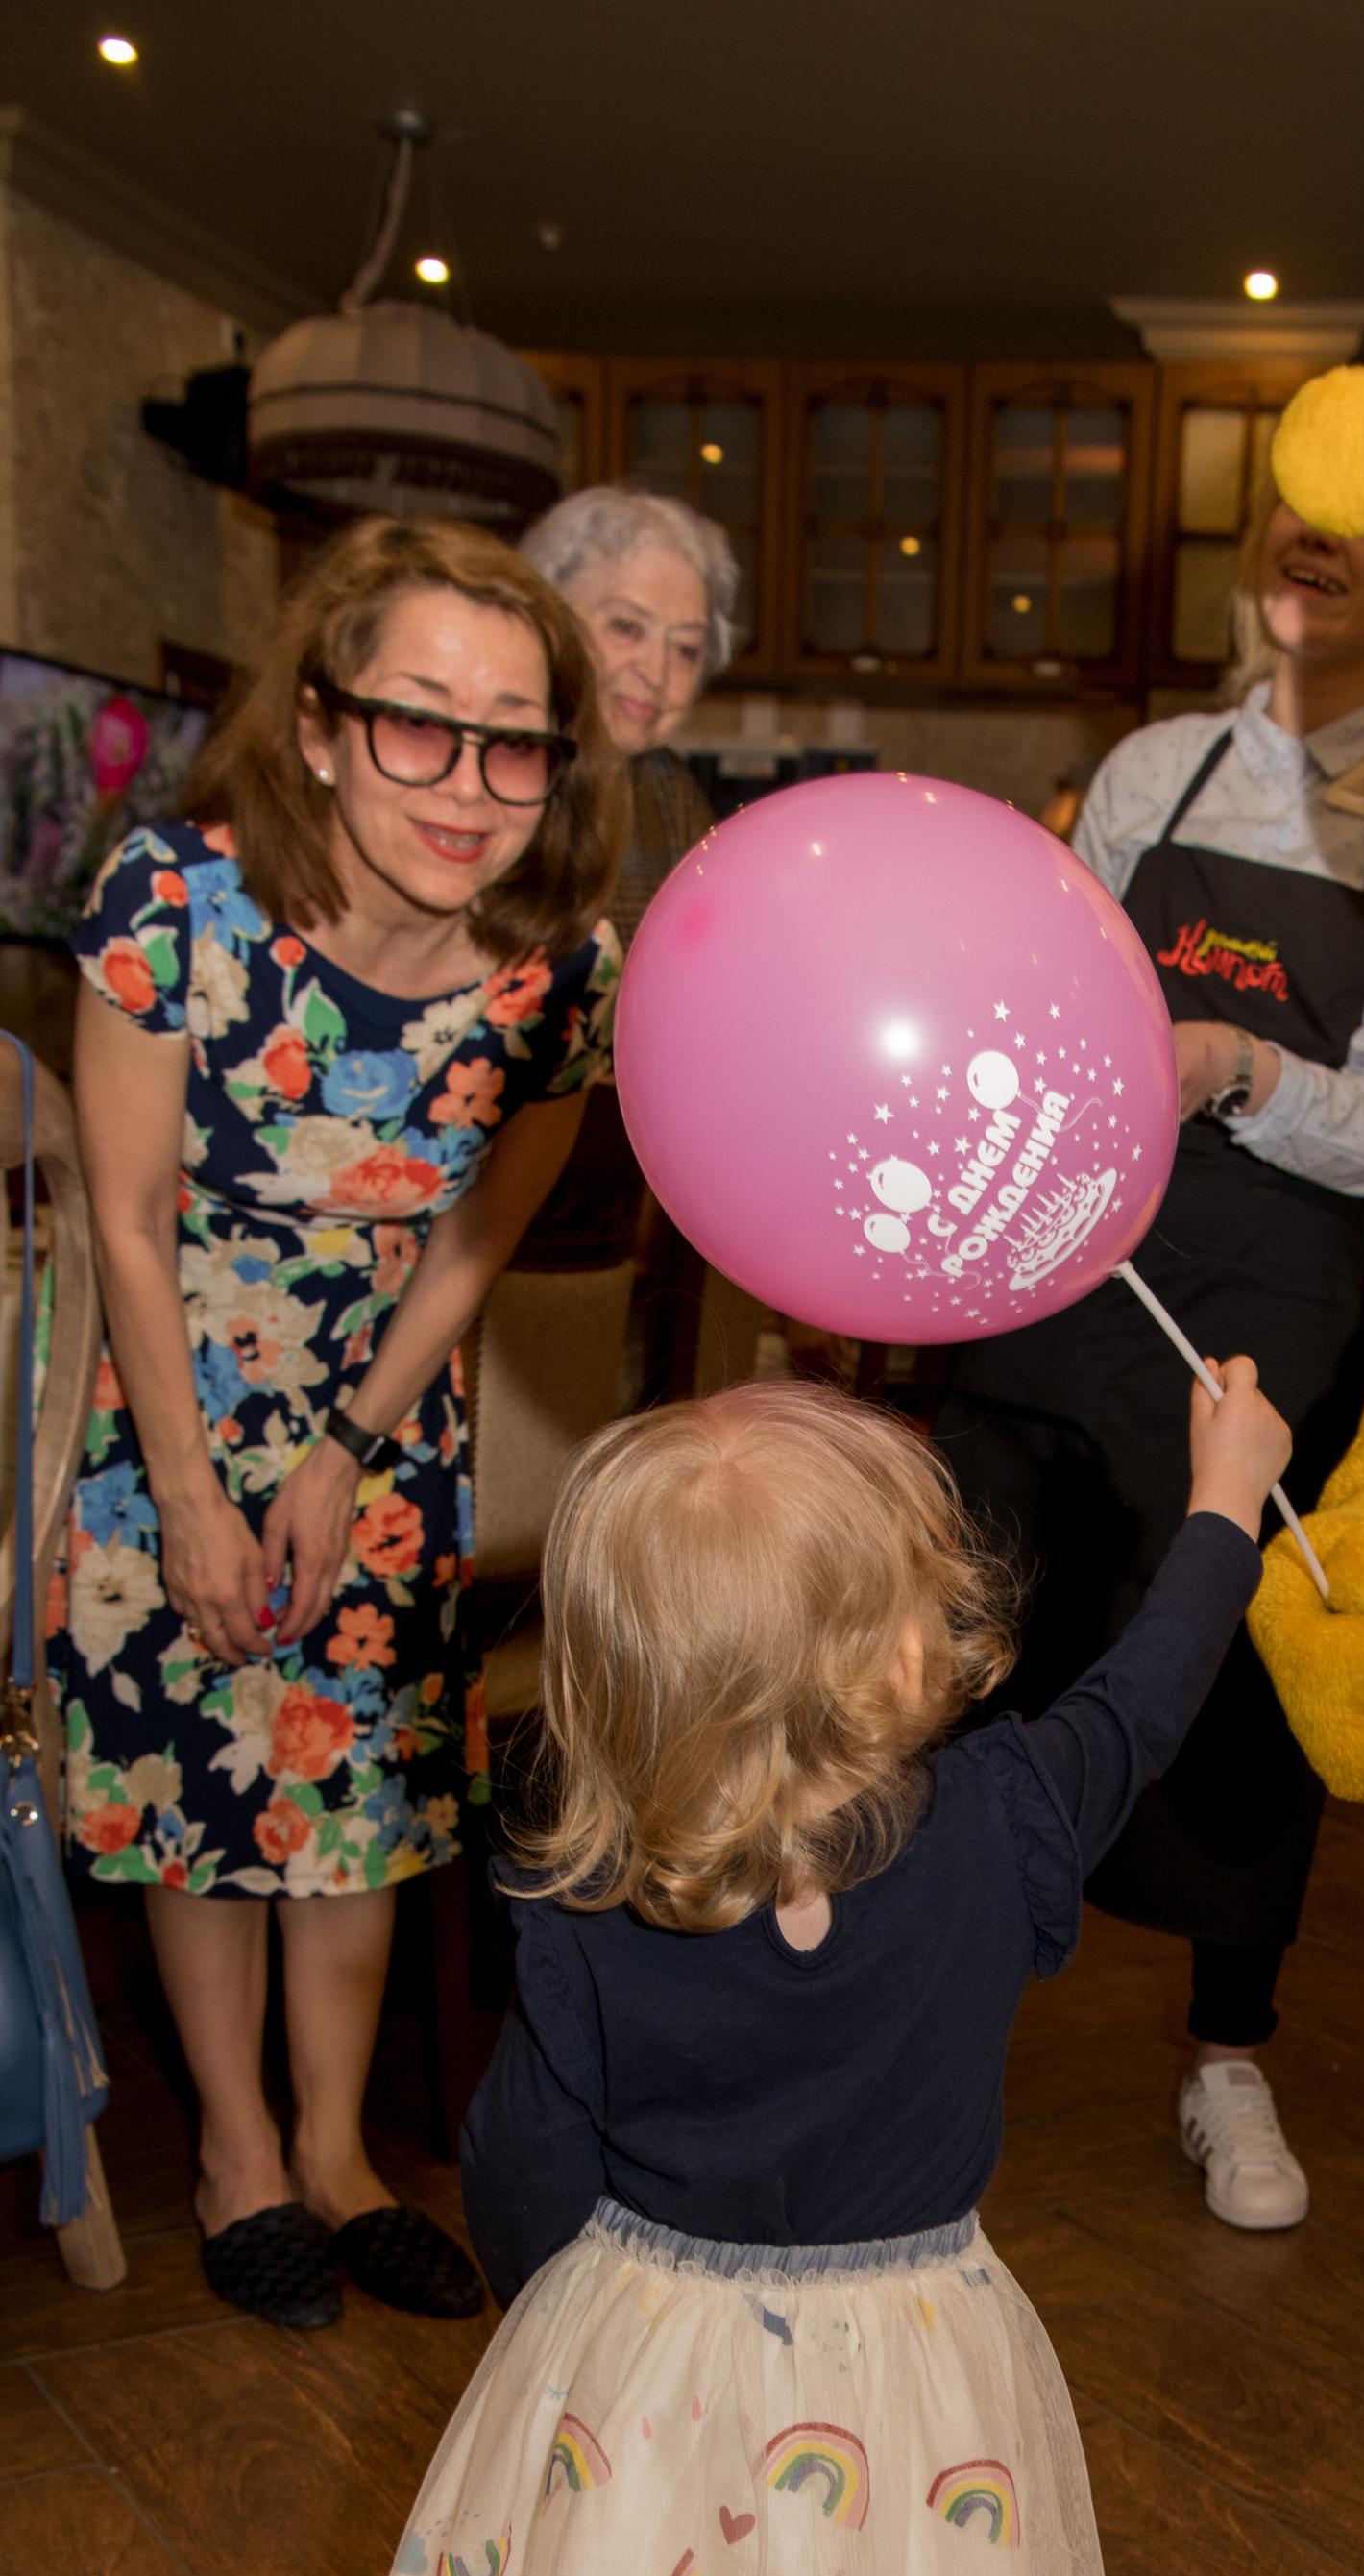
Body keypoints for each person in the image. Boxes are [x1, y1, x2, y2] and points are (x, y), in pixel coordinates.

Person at [304, 1359, 1290, 2576]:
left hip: (637, 2374)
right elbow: (1145, 1700)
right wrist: (1223, 1502)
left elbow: (521, 2157)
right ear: (893, 1659)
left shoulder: (581, 1891)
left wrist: (552, 2341)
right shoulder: (1004, 1813)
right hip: (874, 2395)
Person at [63, 517, 623, 2332]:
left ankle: (341, 2153)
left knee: (359, 1800)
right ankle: (234, 2149)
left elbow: (471, 1242)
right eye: (418, 721)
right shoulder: (173, 902)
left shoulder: (561, 972)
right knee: (204, 1789)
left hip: (384, 1420)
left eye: (514, 736)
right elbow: (128, 1225)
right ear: (318, 726)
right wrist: (194, 1494)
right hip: (167, 1399)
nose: (469, 782)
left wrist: (343, 1450)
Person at [934, 486, 1364, 2232]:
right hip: (1065, 1265)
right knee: (969, 1627)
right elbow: (1049, 1009)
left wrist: (1233, 1068)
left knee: (1244, 1677)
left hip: (1271, 1291)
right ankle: (924, 2009)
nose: (1317, 545)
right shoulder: (1155, 770)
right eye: (1299, 513)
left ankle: (1228, 2061)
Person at [513, 489, 735, 1378]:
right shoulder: (483, 772)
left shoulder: (670, 791)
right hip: (478, 1204)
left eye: (686, 648)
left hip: (620, 1219)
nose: (660, 673)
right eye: (627, 628)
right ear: (546, 615)